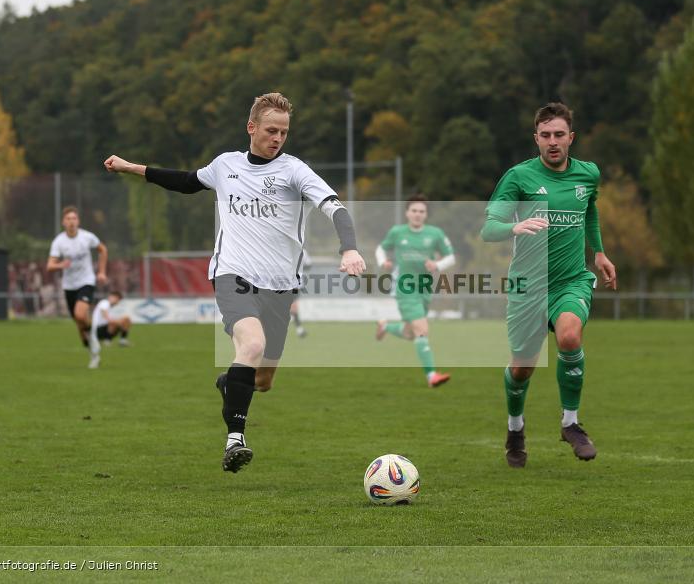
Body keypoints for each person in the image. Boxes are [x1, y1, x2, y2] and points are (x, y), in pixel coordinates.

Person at [104, 92, 366, 474]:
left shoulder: (295, 171)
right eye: (271, 130)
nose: (278, 138)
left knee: (262, 379)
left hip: (280, 286)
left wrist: (349, 249)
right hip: (233, 274)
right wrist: (132, 168)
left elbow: (335, 207)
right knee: (253, 343)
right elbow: (186, 181)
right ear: (252, 127)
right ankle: (235, 440)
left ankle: (230, 382)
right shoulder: (225, 165)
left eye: (284, 132)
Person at [481, 102, 617, 467]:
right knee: (522, 368)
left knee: (570, 336)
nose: (552, 142)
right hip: (528, 287)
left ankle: (570, 423)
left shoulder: (588, 174)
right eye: (545, 135)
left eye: (559, 135)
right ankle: (515, 428)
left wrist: (600, 253)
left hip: (571, 281)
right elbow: (488, 228)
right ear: (536, 139)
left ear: (571, 138)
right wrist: (514, 226)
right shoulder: (518, 178)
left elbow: (590, 210)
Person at [375, 194, 455, 387]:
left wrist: (437, 265)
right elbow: (380, 248)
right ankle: (431, 376)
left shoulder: (435, 233)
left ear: (426, 214)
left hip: (425, 288)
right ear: (407, 213)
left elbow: (451, 257)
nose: (418, 214)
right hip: (404, 287)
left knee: (411, 333)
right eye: (414, 211)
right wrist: (383, 261)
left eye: (422, 211)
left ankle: (385, 326)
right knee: (422, 330)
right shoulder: (397, 232)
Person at [46, 206, 109, 368]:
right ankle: (94, 352)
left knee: (80, 315)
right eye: (68, 219)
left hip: (86, 281)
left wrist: (101, 272)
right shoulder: (59, 242)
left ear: (78, 221)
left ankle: (96, 333)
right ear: (63, 222)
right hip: (69, 286)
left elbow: (103, 250)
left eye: (74, 218)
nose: (71, 222)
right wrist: (61, 264)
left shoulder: (87, 237)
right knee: (80, 326)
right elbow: (50, 266)